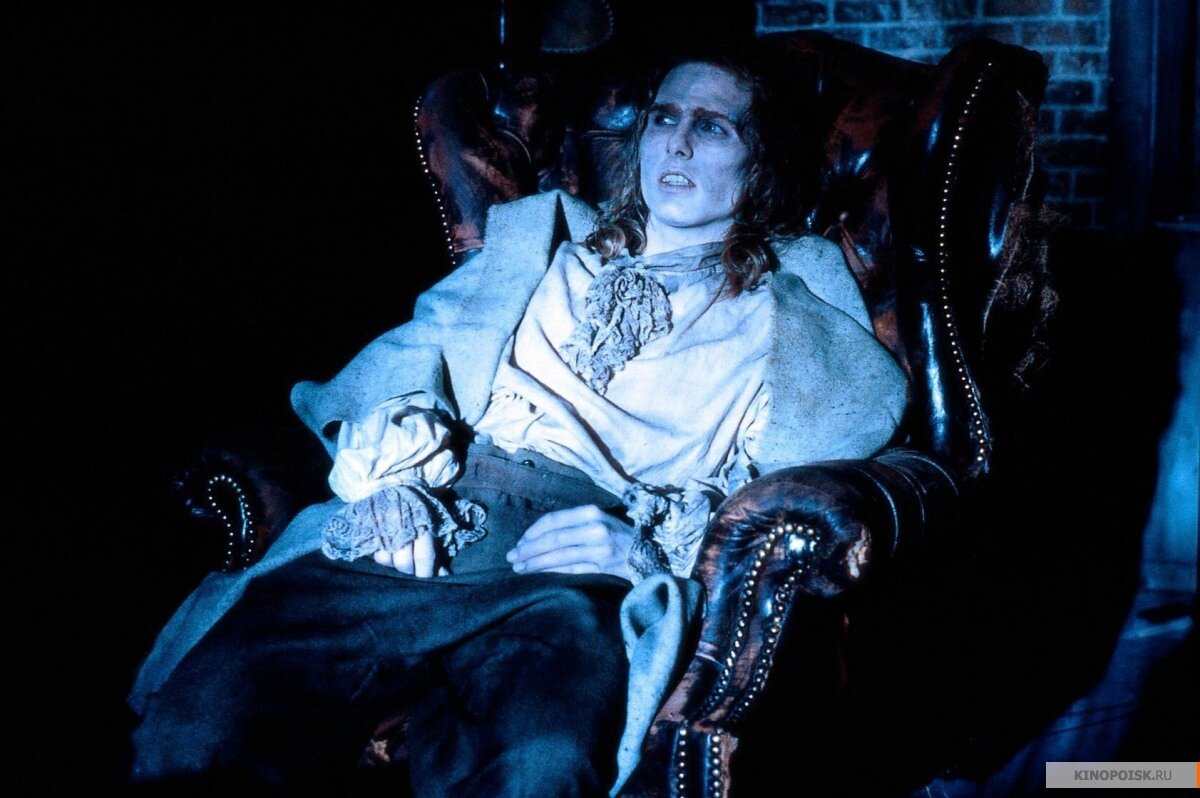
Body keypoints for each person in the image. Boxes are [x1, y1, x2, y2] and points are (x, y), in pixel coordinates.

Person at [128, 46, 906, 795]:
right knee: (200, 725)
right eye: (664, 118)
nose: (676, 142)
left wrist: (644, 550)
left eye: (712, 126)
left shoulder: (779, 314)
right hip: (433, 521)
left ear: (758, 158)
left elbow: (795, 469)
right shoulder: (544, 243)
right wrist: (390, 480)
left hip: (570, 570)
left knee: (541, 763)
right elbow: (408, 360)